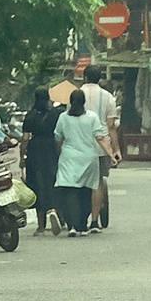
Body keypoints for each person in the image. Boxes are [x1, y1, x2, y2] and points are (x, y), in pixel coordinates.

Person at [50, 86, 106, 235]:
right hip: (89, 158)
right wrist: (111, 154)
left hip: (69, 158)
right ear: (84, 102)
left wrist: (60, 153)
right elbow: (100, 137)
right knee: (86, 191)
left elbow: (58, 138)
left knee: (69, 192)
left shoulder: (63, 117)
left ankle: (72, 226)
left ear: (70, 101)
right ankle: (82, 225)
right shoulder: (92, 117)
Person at [79, 63, 122, 227]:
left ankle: (80, 218)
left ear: (84, 77)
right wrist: (116, 150)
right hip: (102, 146)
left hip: (80, 145)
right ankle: (95, 221)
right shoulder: (108, 97)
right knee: (97, 182)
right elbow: (111, 126)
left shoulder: (76, 94)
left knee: (81, 182)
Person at [21, 84, 63, 236]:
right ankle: (54, 210)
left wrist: (22, 156)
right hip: (51, 148)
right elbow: (59, 136)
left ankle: (40, 226)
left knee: (37, 185)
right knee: (52, 180)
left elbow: (25, 138)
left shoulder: (30, 115)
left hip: (35, 151)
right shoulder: (55, 114)